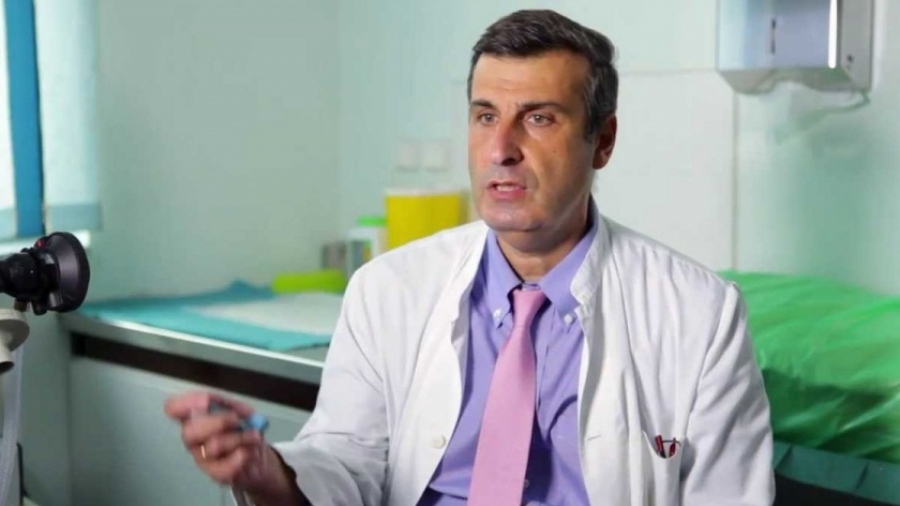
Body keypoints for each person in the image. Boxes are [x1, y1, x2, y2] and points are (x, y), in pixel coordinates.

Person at [165, 9, 774, 506]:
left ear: (603, 141)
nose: (501, 148)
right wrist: (270, 474)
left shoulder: (699, 314)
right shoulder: (389, 289)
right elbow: (345, 463)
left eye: (539, 118)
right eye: (486, 116)